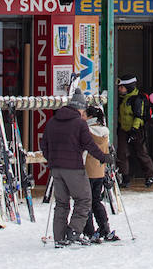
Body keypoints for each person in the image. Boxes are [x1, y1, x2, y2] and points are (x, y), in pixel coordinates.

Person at [40, 89, 109, 247]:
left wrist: (51, 159)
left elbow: (44, 144)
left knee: (62, 203)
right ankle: (73, 232)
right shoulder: (79, 123)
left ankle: (59, 237)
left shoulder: (52, 121)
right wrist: (103, 157)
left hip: (56, 168)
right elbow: (89, 145)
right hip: (74, 167)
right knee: (84, 200)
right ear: (80, 108)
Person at [81, 105, 120, 243]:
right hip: (99, 170)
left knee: (85, 202)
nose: (82, 116)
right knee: (96, 201)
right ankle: (104, 228)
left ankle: (89, 231)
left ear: (90, 117)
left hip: (87, 170)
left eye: (85, 114)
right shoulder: (105, 132)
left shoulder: (87, 130)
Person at [116, 77, 153, 187]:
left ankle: (150, 176)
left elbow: (139, 116)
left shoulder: (138, 99)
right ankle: (125, 178)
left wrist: (134, 130)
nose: (120, 89)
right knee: (122, 153)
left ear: (129, 87)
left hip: (136, 130)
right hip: (124, 129)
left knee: (141, 153)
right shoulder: (122, 98)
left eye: (122, 87)